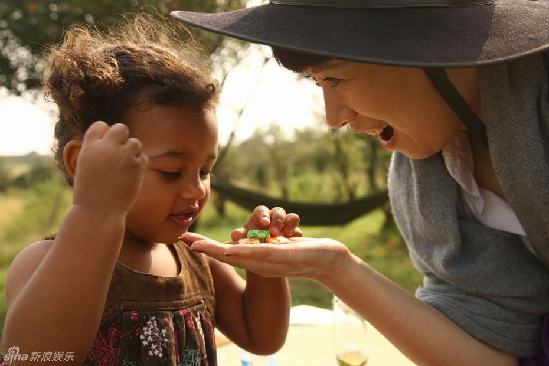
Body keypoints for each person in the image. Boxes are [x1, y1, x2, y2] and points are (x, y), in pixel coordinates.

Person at [171, 1, 549, 365]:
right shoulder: (431, 180)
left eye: (334, 78)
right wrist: (335, 268)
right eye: (317, 82)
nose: (333, 117)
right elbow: (490, 354)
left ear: (424, 50)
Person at [0, 14, 296, 365]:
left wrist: (265, 267)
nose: (196, 190)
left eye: (205, 170)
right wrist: (96, 212)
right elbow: (33, 360)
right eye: (171, 172)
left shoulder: (196, 259)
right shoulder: (44, 262)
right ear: (82, 164)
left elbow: (261, 337)